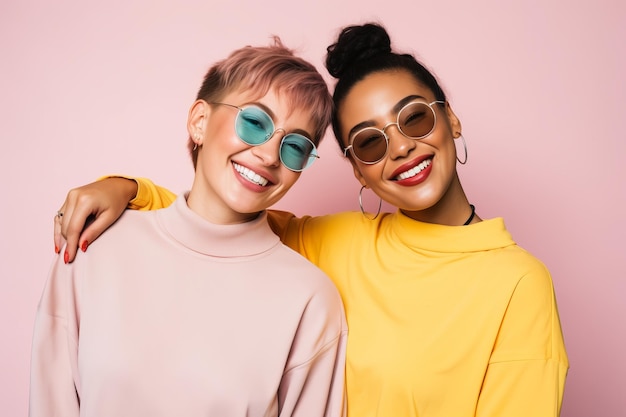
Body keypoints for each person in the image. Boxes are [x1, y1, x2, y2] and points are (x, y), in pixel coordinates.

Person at [52, 23, 569, 417]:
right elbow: (216, 217)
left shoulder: (518, 283)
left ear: (449, 118)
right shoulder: (333, 242)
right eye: (369, 141)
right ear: (358, 172)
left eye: (414, 116)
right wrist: (126, 188)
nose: (402, 147)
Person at [30, 38, 348, 417]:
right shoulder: (95, 244)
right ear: (199, 121)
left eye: (295, 146)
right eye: (254, 122)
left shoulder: (310, 299)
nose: (268, 155)